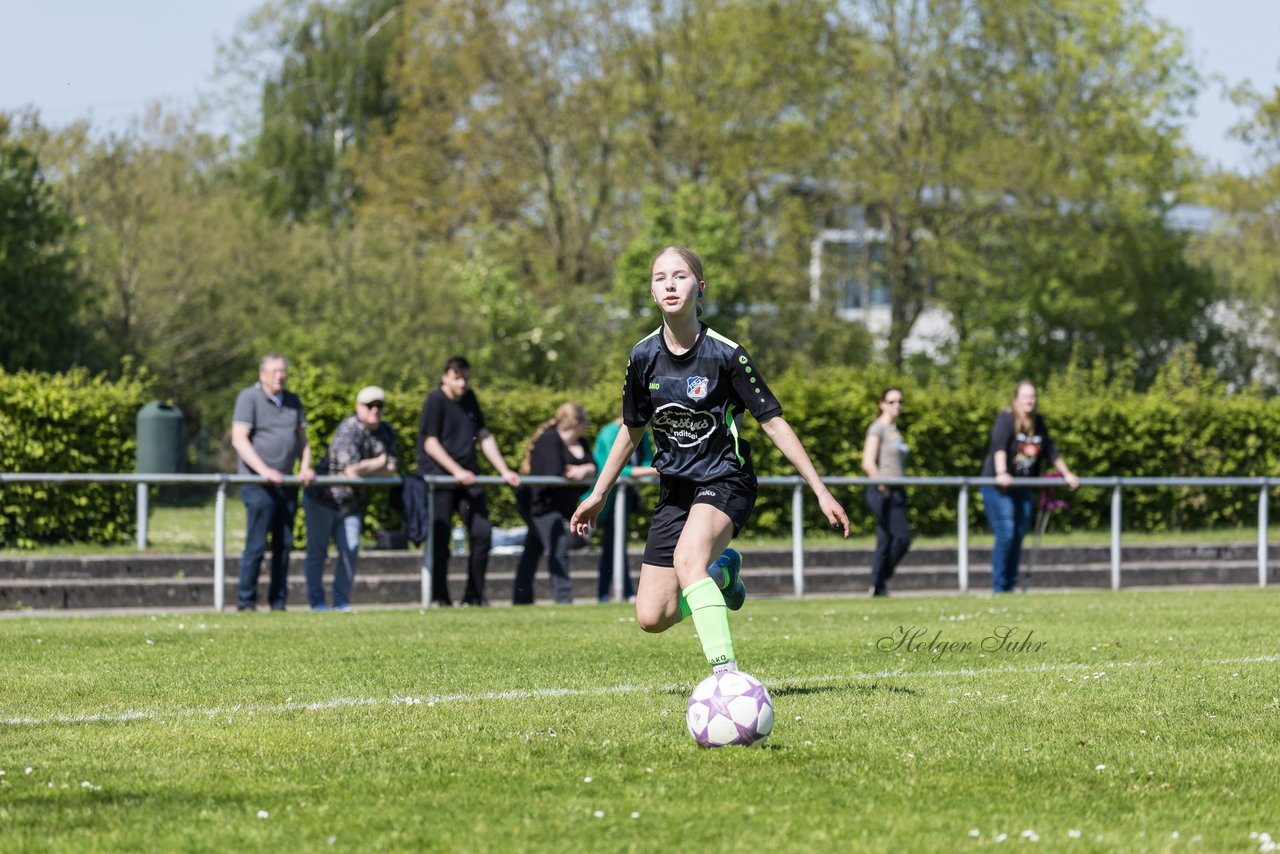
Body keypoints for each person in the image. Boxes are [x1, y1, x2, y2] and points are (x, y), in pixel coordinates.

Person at [571, 246, 850, 676]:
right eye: (660, 277)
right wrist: (598, 494)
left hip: (725, 480)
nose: (669, 284)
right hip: (676, 490)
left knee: (687, 561)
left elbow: (773, 423)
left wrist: (821, 490)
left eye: (680, 276)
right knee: (652, 616)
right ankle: (722, 575)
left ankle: (727, 678)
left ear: (699, 287)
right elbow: (632, 430)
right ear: (651, 288)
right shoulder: (643, 356)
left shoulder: (726, 354)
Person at [416, 356, 521, 607]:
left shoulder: (470, 399)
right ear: (445, 377)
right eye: (457, 378)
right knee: (440, 539)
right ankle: (440, 597)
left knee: (482, 533)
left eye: (465, 378)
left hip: (468, 479)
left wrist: (504, 470)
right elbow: (430, 443)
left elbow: (484, 435)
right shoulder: (435, 401)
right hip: (441, 481)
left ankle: (474, 595)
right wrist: (456, 471)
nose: (462, 383)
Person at [302, 385, 399, 612]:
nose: (375, 410)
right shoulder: (348, 429)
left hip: (352, 503)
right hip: (323, 500)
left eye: (379, 406)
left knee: (351, 548)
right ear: (358, 407)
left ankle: (340, 602)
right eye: (369, 405)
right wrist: (379, 463)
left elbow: (393, 468)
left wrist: (372, 466)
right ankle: (316, 603)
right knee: (318, 552)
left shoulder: (386, 431)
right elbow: (351, 470)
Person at [230, 353, 316, 611]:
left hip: (287, 485)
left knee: (284, 545)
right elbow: (239, 439)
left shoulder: (293, 401)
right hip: (258, 485)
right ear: (262, 374)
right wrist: (264, 471)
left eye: (283, 371)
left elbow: (303, 440)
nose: (280, 376)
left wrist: (306, 467)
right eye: (274, 371)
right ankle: (246, 603)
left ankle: (278, 603)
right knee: (256, 545)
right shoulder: (249, 398)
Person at [980, 380, 1080, 593]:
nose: (1030, 400)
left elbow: (1051, 450)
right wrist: (1001, 473)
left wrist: (1067, 473)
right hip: (999, 488)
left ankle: (1010, 587)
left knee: (1018, 536)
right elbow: (999, 447)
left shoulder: (1037, 422)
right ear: (1016, 398)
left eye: (1033, 396)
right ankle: (999, 587)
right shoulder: (1006, 418)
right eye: (1025, 396)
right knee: (1006, 533)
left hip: (1023, 488)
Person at [512, 403, 597, 605]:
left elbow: (593, 466)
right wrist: (580, 471)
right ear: (576, 422)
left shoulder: (581, 442)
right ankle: (564, 598)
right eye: (585, 422)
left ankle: (521, 599)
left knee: (532, 550)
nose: (586, 427)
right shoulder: (549, 439)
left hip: (562, 507)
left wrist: (584, 470)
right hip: (539, 506)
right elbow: (555, 471)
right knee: (558, 546)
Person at [589, 415, 657, 603]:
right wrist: (651, 471)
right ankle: (615, 593)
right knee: (611, 545)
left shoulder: (642, 432)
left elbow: (648, 461)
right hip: (607, 498)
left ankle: (613, 594)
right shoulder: (609, 433)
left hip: (624, 497)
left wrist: (651, 469)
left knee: (614, 546)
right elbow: (611, 468)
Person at [861, 387, 911, 597]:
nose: (896, 406)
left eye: (899, 401)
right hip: (883, 490)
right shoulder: (878, 428)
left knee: (885, 539)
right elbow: (868, 462)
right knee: (902, 538)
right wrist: (882, 487)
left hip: (896, 489)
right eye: (891, 402)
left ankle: (877, 585)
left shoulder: (895, 430)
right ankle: (880, 578)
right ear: (882, 404)